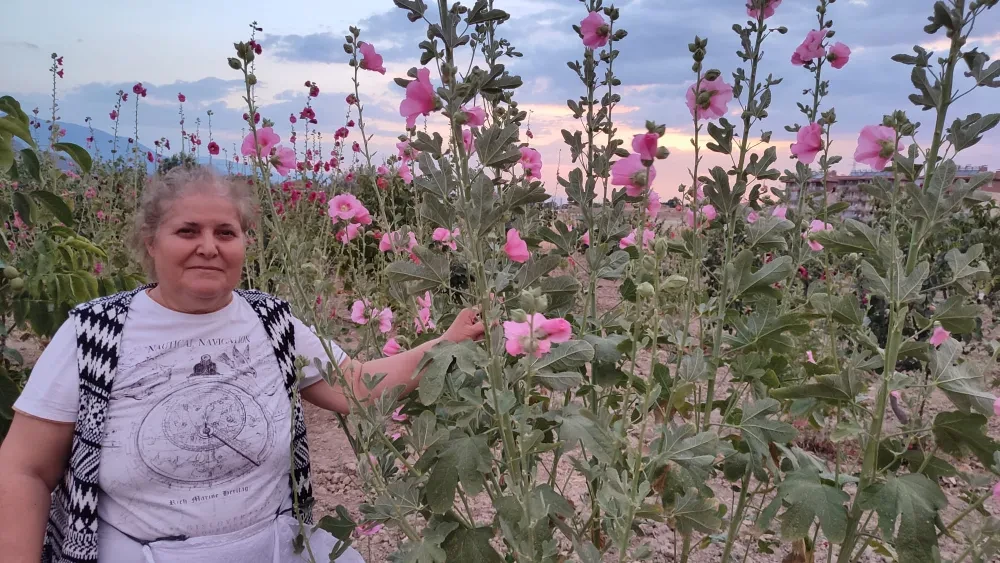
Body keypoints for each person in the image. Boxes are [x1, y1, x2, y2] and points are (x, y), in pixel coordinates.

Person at [0, 167, 484, 563]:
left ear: (244, 244)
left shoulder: (271, 322)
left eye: (225, 232)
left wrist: (447, 342)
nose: (208, 246)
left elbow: (353, 384)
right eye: (187, 230)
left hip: (272, 548)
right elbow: (24, 470)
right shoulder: (95, 333)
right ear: (150, 242)